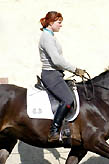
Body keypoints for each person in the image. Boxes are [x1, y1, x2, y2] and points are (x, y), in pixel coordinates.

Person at [39, 11, 85, 142]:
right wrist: (75, 69)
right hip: (51, 75)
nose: (61, 25)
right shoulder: (46, 38)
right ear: (51, 22)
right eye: (59, 22)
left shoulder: (50, 36)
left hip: (56, 74)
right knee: (68, 99)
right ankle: (54, 130)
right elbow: (57, 60)